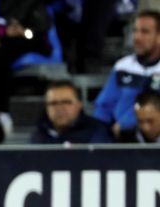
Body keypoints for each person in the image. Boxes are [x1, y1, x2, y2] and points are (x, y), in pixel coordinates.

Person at [93, 10, 160, 138]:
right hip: (122, 139)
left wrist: (129, 125)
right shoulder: (123, 67)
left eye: (145, 32)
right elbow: (104, 108)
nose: (137, 37)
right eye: (135, 31)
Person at [30, 80, 112, 144]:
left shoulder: (96, 131)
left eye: (66, 102)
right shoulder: (39, 135)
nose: (59, 108)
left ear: (79, 105)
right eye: (53, 103)